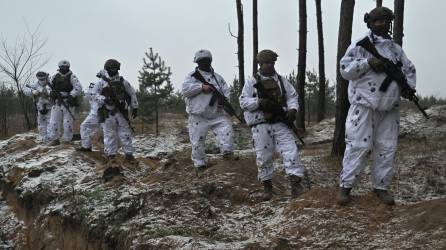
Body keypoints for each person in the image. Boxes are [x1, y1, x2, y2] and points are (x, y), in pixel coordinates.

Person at [337, 7, 417, 206]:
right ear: (370, 23)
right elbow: (345, 69)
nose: (381, 24)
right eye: (377, 21)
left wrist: (408, 88)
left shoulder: (395, 50)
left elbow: (408, 70)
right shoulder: (360, 45)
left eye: (384, 21)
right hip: (363, 106)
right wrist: (367, 62)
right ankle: (345, 187)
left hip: (389, 108)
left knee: (387, 148)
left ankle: (381, 187)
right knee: (358, 146)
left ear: (389, 23)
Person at [239, 49, 305, 201]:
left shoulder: (281, 81)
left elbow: (292, 97)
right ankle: (267, 188)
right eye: (265, 63)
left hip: (280, 122)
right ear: (259, 64)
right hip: (260, 124)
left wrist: (292, 110)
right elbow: (243, 101)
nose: (269, 65)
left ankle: (296, 184)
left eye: (271, 62)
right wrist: (260, 102)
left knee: (290, 150)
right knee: (263, 156)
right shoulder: (252, 82)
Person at [181, 49, 234, 174]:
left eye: (206, 60)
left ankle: (227, 153)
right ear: (197, 62)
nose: (204, 63)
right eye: (201, 61)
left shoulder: (218, 78)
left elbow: (226, 92)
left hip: (217, 114)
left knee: (227, 131)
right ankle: (200, 164)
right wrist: (201, 87)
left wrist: (224, 100)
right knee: (197, 141)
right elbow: (185, 90)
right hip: (198, 115)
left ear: (210, 61)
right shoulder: (191, 77)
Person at [91, 59, 138, 161]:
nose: (114, 70)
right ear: (107, 69)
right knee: (109, 134)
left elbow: (132, 94)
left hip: (121, 112)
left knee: (125, 133)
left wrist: (135, 107)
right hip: (107, 112)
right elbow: (93, 94)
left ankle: (129, 154)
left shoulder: (123, 82)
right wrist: (104, 100)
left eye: (115, 69)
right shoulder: (101, 82)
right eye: (112, 69)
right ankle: (111, 155)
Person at [47, 60, 82, 145]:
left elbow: (78, 87)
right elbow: (48, 87)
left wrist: (72, 95)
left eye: (66, 67)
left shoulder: (72, 76)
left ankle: (67, 139)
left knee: (67, 121)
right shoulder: (54, 76)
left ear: (68, 67)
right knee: (54, 121)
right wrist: (51, 93)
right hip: (57, 101)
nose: (64, 69)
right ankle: (54, 139)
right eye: (62, 67)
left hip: (68, 101)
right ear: (59, 67)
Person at [77, 71, 104, 152]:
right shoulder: (113, 85)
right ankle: (111, 151)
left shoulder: (96, 85)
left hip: (97, 113)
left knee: (84, 127)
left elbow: (89, 94)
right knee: (108, 131)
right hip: (110, 113)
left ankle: (86, 146)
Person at [24, 71, 52, 143]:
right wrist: (32, 92)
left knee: (50, 123)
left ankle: (50, 138)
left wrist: (47, 91)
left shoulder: (51, 83)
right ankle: (43, 138)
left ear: (46, 77)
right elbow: (25, 90)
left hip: (50, 107)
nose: (42, 81)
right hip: (40, 107)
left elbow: (55, 92)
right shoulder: (35, 84)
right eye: (40, 79)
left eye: (43, 79)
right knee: (41, 124)